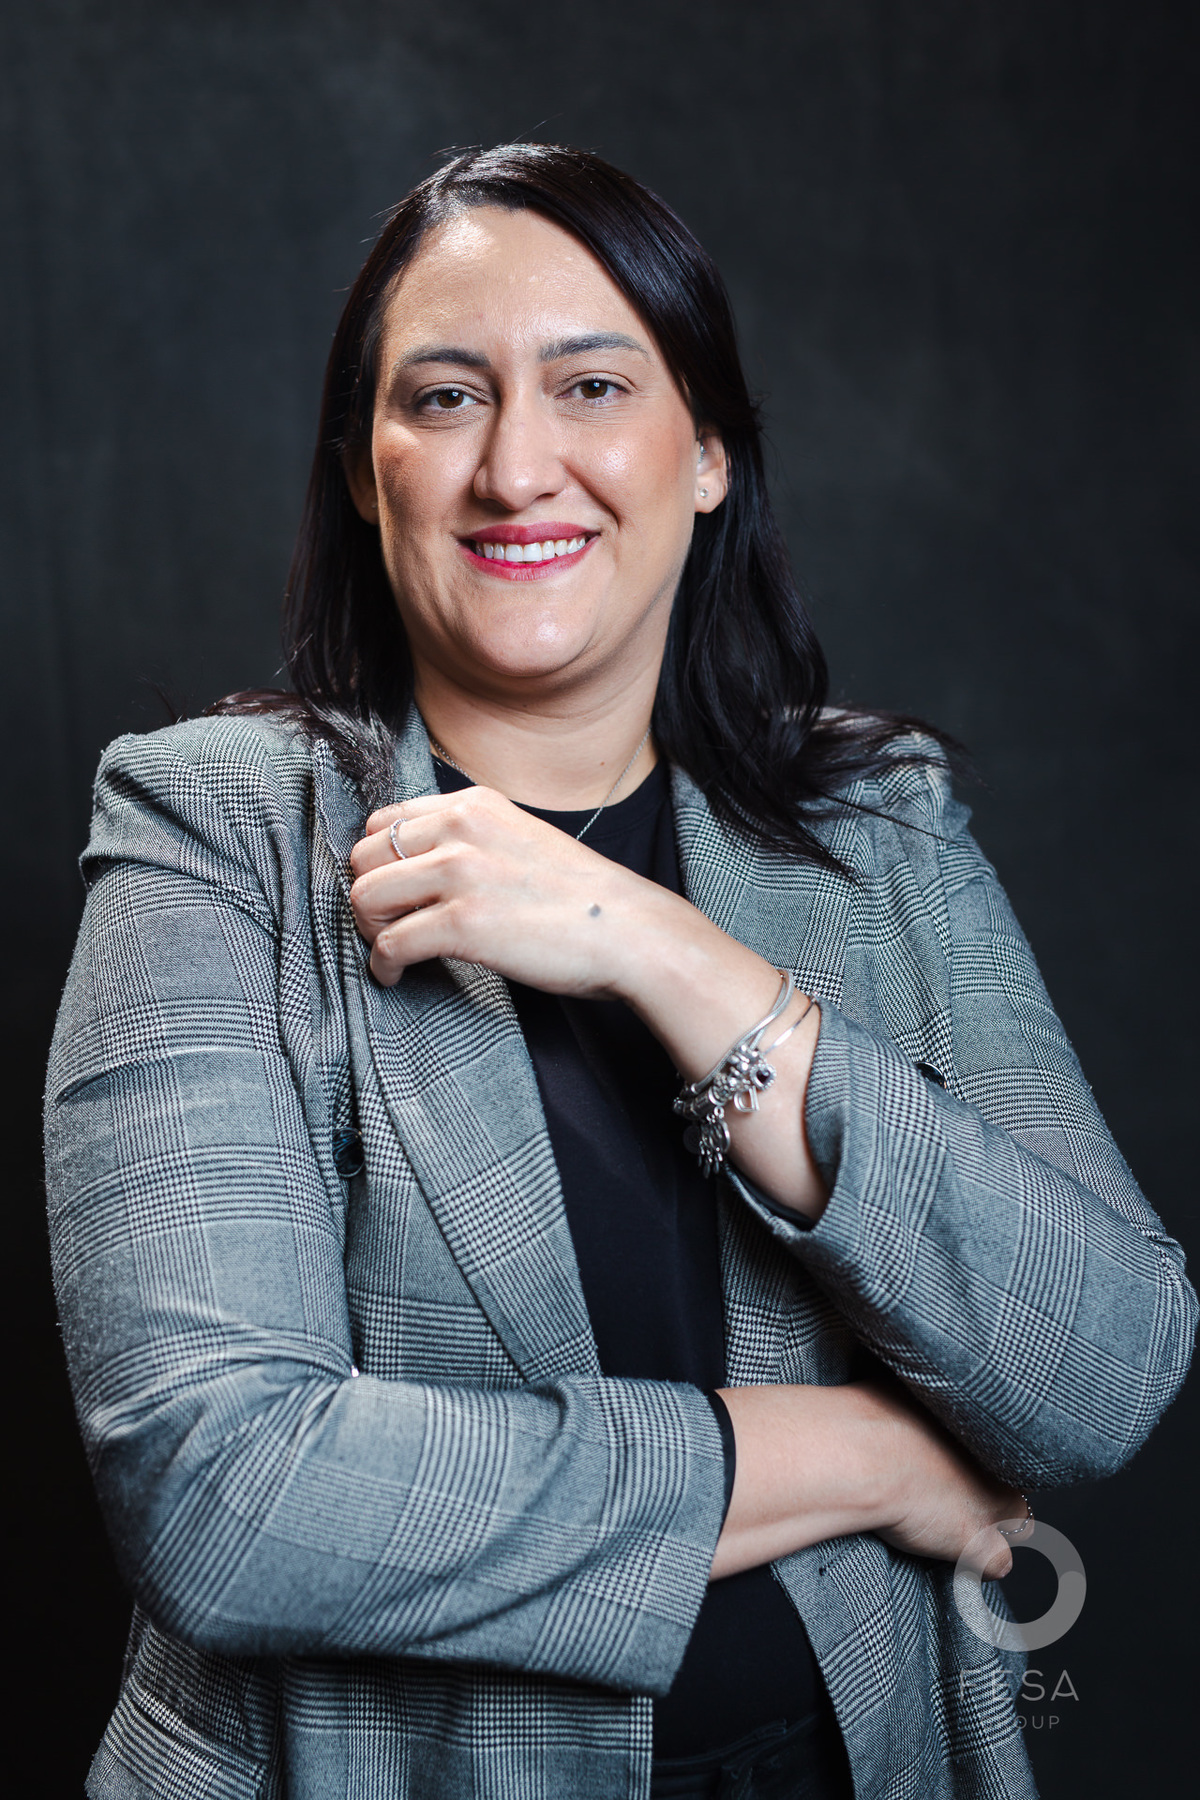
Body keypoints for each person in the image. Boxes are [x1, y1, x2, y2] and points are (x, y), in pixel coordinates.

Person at [46, 143, 1194, 1800]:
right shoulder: (217, 829)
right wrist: (856, 1455)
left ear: (708, 453)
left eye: (593, 385)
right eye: (446, 398)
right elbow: (223, 1497)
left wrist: (663, 951)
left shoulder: (878, 822)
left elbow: (1104, 1373)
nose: (519, 469)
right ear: (366, 475)